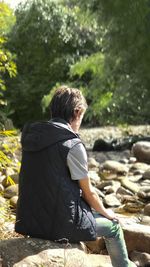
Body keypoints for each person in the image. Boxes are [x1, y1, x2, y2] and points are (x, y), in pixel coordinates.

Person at [15, 86, 136, 267]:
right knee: (114, 228)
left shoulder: (32, 137)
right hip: (59, 226)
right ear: (77, 112)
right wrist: (108, 213)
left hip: (28, 222)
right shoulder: (71, 144)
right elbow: (88, 193)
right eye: (82, 116)